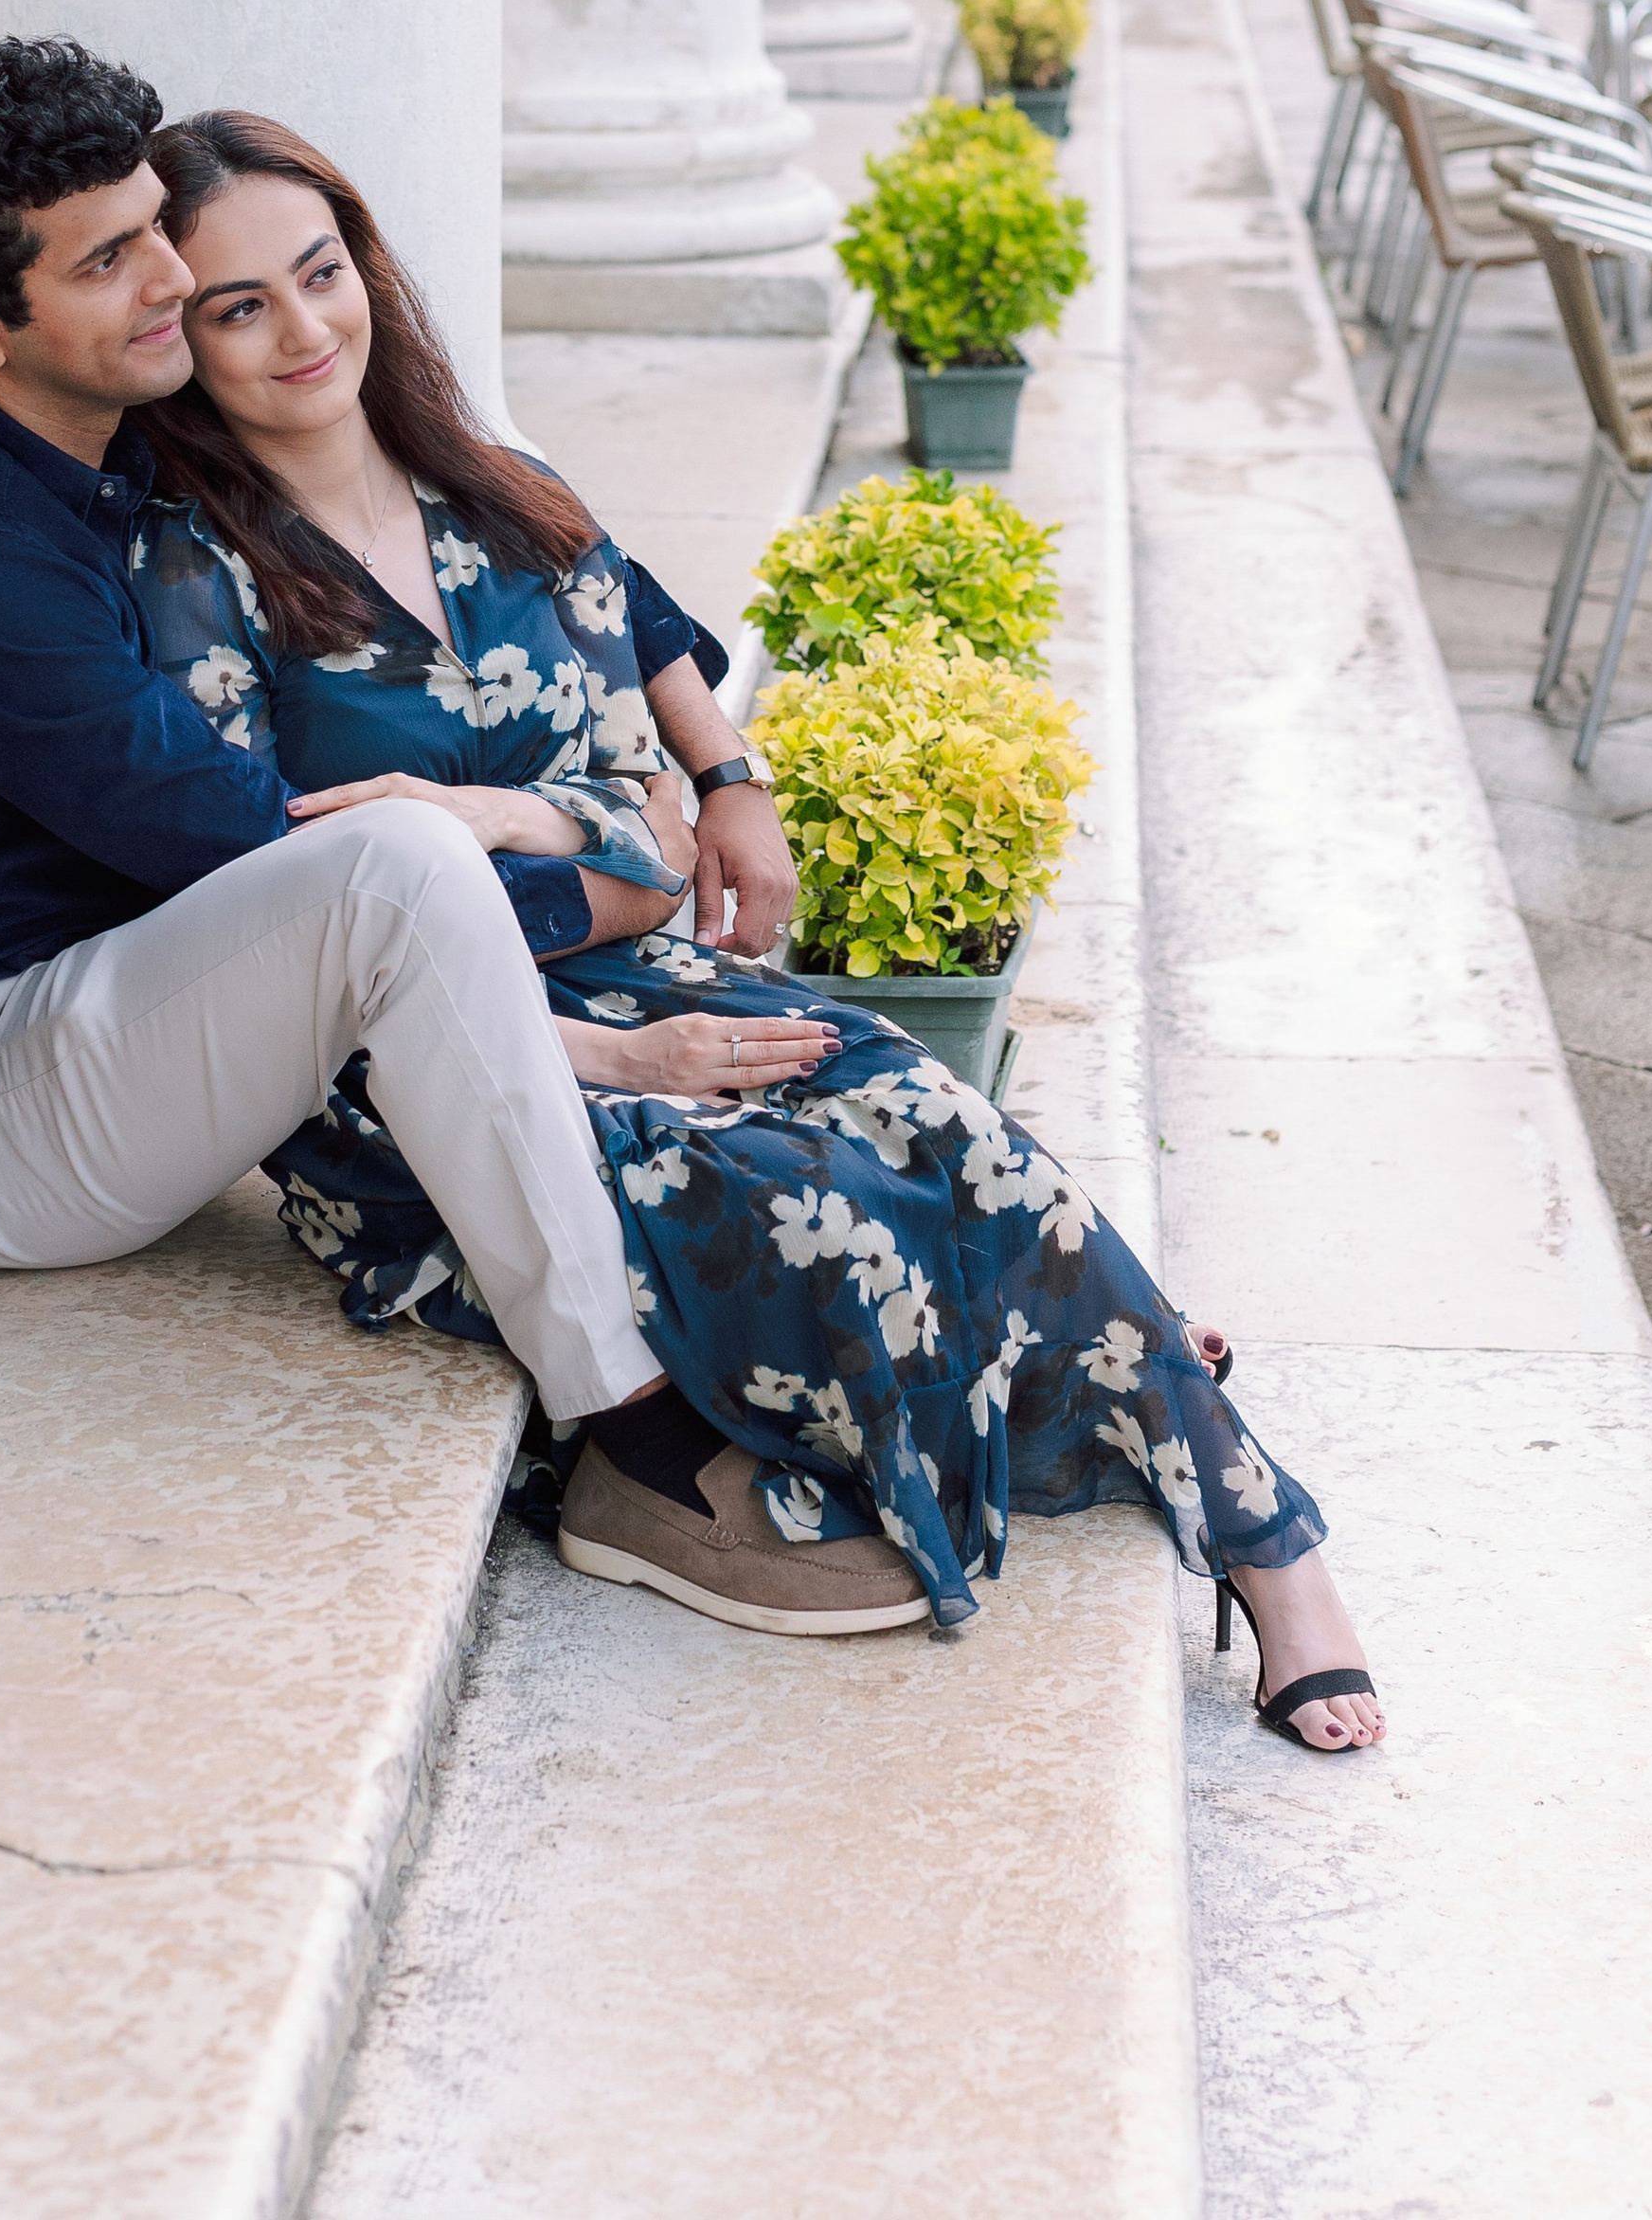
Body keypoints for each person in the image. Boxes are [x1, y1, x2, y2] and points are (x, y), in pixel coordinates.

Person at [130, 109, 1384, 1751]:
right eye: (240, 308)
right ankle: (1044, 1345)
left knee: (937, 1119)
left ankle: (1275, 1550)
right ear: (185, 340)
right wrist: (611, 1015)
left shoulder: (497, 491)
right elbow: (266, 909)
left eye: (321, 273)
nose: (305, 331)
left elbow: (645, 731)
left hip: (636, 961)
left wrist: (620, 796)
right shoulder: (193, 576)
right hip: (424, 1078)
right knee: (801, 1201)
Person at [0, 36, 855, 1631]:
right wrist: (613, 880)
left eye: (155, 228)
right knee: (399, 857)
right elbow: (291, 861)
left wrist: (722, 762)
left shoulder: (110, 428)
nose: (168, 281)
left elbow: (540, 521)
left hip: (143, 1006)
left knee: (431, 855)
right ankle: (628, 1436)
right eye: (111, 261)